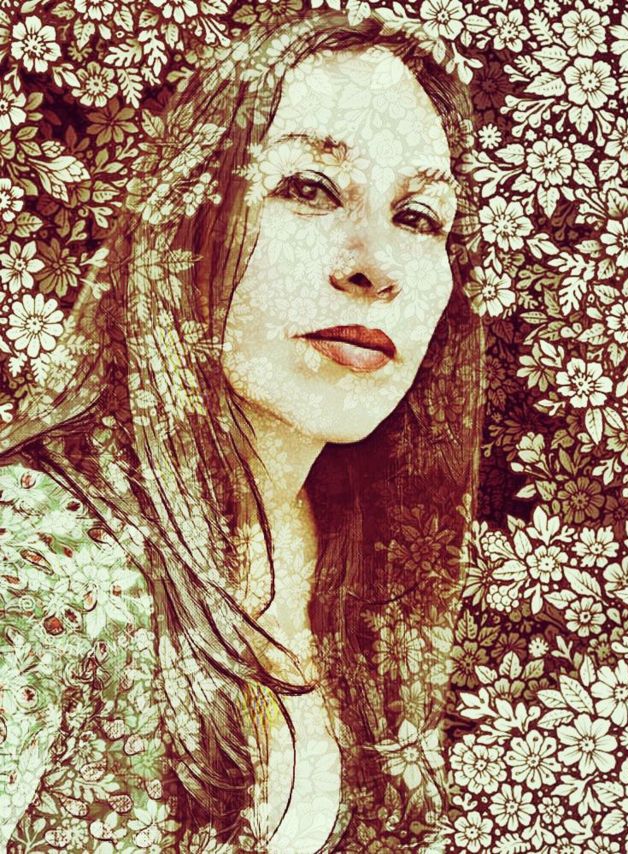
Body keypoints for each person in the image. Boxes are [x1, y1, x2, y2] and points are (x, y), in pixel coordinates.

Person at [0, 6, 484, 852]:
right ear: (188, 227)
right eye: (308, 189)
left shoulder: (365, 555)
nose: (375, 265)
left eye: (417, 217)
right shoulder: (35, 557)